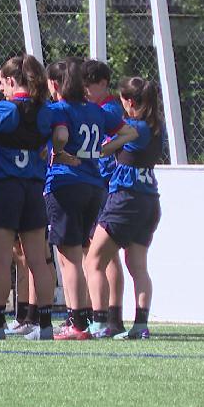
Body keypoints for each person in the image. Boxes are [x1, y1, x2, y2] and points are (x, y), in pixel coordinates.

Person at [45, 57, 137, 340]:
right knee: (91, 255)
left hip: (65, 184)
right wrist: (103, 152)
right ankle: (98, 319)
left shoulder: (58, 108)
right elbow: (129, 132)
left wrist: (59, 152)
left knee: (69, 258)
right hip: (94, 186)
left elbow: (60, 133)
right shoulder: (96, 112)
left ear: (56, 84)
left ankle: (77, 322)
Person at [0, 55, 58, 341]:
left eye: (2, 83)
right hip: (33, 189)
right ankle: (44, 325)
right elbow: (56, 136)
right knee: (38, 260)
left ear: (12, 81)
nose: (0, 89)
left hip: (7, 188)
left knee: (0, 260)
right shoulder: (46, 111)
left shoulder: (1, 110)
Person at [86, 77, 163, 340]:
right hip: (150, 201)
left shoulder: (132, 127)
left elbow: (104, 149)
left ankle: (100, 322)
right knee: (138, 266)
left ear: (129, 102)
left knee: (94, 260)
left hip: (126, 200)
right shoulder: (155, 127)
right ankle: (140, 325)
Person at [84, 59, 129, 337]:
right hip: (97, 188)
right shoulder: (97, 110)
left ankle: (112, 317)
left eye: (90, 85)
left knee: (107, 255)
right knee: (97, 253)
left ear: (103, 83)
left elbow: (124, 140)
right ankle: (104, 315)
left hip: (108, 188)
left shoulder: (110, 110)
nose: (86, 91)